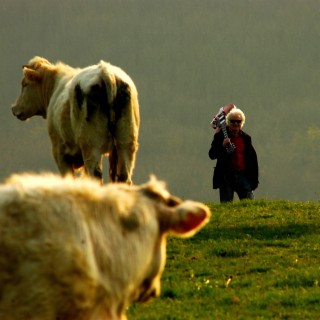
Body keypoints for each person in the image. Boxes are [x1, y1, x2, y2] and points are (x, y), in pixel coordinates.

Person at [208, 108, 259, 203]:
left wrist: (254, 180)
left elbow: (252, 160)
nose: (236, 123)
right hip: (226, 177)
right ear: (228, 122)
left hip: (243, 176)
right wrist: (222, 146)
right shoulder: (220, 136)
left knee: (250, 205)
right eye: (232, 121)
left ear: (242, 123)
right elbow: (212, 154)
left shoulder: (246, 138)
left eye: (238, 121)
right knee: (226, 205)